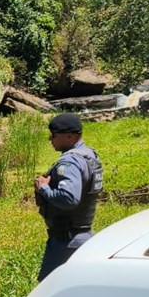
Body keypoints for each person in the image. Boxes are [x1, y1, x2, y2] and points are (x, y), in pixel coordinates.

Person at [33, 112, 103, 282]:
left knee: (48, 290)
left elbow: (69, 198)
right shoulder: (89, 155)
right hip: (83, 236)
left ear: (69, 136)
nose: (50, 139)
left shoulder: (69, 163)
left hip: (66, 241)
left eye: (54, 135)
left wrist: (44, 188)